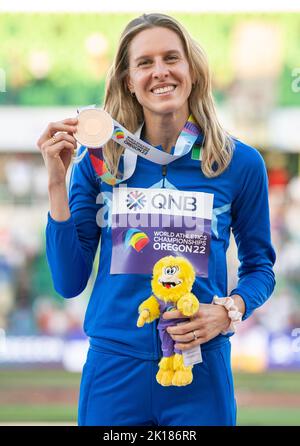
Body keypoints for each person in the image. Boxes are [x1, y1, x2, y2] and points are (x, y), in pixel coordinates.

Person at [37, 13, 276, 426]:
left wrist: (228, 310)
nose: (160, 71)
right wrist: (57, 183)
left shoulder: (240, 164)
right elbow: (68, 282)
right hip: (114, 372)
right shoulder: (99, 162)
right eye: (144, 63)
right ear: (128, 80)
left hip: (200, 369)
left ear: (192, 71)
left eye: (171, 58)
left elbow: (261, 269)